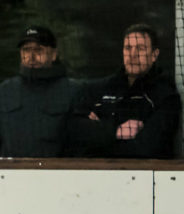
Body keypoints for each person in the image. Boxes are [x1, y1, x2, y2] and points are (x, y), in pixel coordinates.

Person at [66, 23, 182, 158]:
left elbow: (147, 148)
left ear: (154, 55)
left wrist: (98, 130)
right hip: (96, 175)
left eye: (140, 48)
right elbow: (72, 132)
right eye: (128, 48)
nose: (133, 55)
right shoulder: (98, 89)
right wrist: (115, 131)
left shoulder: (165, 96)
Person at [0, 25, 81, 158]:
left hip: (57, 173)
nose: (31, 56)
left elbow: (81, 143)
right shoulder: (7, 90)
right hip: (10, 174)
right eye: (26, 50)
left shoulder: (72, 91)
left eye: (38, 50)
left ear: (53, 54)